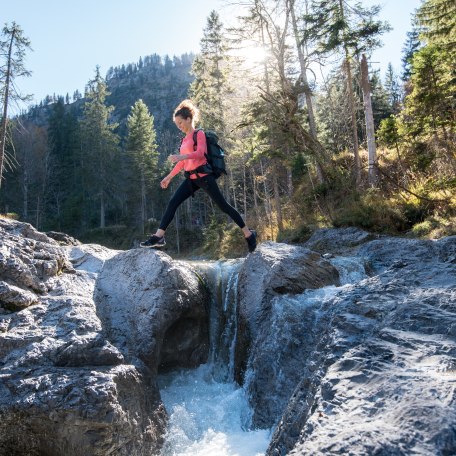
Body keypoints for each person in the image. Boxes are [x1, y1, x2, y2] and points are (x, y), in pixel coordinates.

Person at [140, 99, 257, 252]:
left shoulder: (198, 134)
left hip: (204, 178)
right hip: (191, 180)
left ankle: (249, 234)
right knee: (173, 203)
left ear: (188, 119)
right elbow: (182, 164)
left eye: (180, 122)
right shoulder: (184, 140)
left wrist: (181, 157)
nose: (179, 126)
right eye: (177, 124)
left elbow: (200, 153)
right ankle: (159, 236)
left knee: (224, 206)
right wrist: (168, 177)